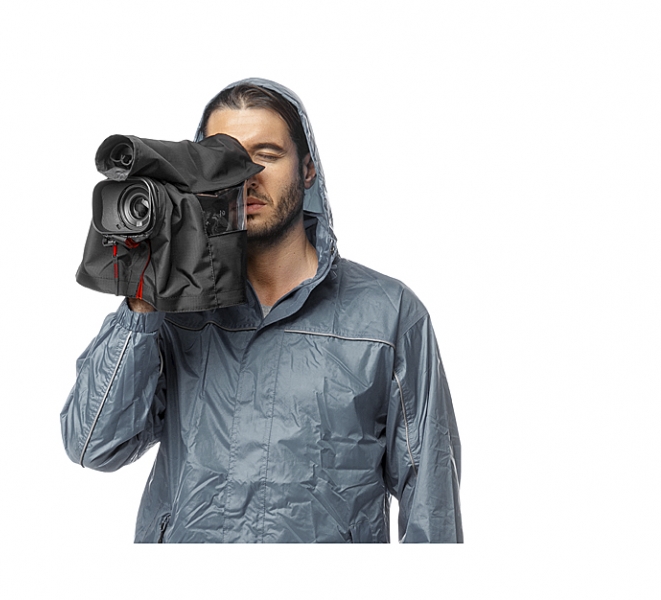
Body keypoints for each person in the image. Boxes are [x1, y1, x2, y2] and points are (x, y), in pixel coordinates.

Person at [61, 78, 463, 543]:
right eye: (223, 159)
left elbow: (430, 498)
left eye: (266, 155)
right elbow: (93, 445)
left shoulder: (387, 314)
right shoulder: (171, 311)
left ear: (307, 170)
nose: (246, 176)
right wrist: (144, 297)